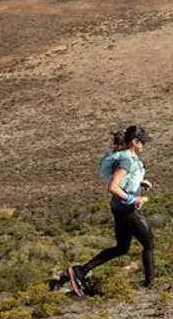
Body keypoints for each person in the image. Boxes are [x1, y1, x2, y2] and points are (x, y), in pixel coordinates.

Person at [65, 125, 154, 295]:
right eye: (142, 142)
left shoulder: (125, 158)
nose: (144, 145)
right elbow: (113, 186)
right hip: (127, 210)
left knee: (122, 248)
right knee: (149, 244)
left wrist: (140, 183)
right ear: (135, 142)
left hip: (119, 208)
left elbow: (123, 180)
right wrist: (133, 198)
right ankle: (151, 287)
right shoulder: (126, 160)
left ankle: (81, 271)